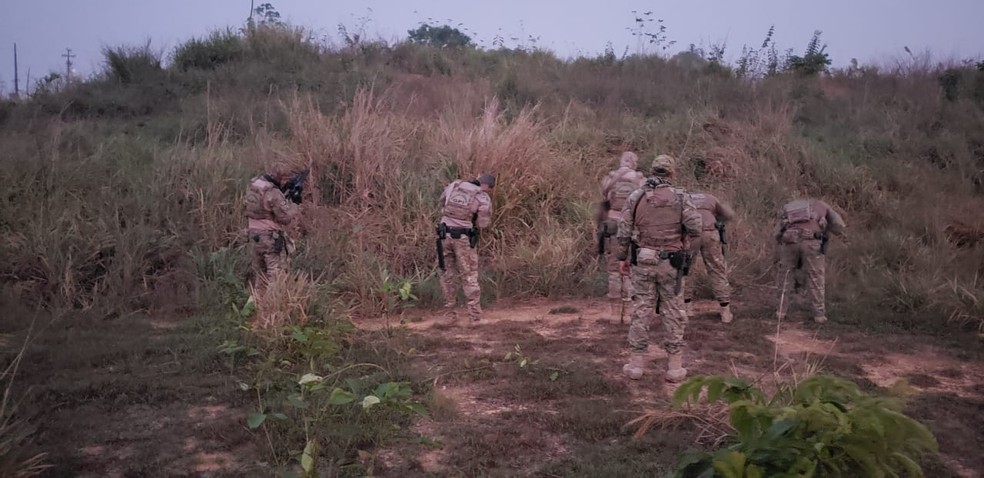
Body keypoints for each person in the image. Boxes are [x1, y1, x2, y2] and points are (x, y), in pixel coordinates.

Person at [616, 155, 702, 382]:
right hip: (671, 263)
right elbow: (696, 227)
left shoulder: (637, 196)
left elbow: (623, 231)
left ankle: (636, 366)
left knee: (641, 310)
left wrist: (621, 257)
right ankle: (674, 368)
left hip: (643, 260)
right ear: (672, 173)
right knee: (673, 312)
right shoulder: (681, 197)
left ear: (652, 171)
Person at [774, 198, 847, 323]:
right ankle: (819, 315)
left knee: (785, 276)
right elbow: (839, 225)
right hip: (812, 241)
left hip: (790, 240)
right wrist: (826, 230)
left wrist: (781, 241)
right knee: (815, 277)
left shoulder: (788, 206)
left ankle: (780, 312)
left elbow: (777, 232)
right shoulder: (822, 205)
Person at [437, 173, 495, 323]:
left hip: (443, 235)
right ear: (486, 186)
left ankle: (449, 316)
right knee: (469, 276)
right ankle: (474, 317)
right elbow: (483, 223)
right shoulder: (481, 196)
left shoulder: (454, 185)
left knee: (446, 275)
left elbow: (442, 203)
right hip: (462, 238)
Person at [598, 152, 646, 317]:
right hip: (632, 226)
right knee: (630, 267)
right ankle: (627, 312)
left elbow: (604, 195)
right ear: (633, 162)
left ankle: (614, 313)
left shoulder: (611, 178)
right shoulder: (640, 178)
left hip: (612, 226)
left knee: (613, 268)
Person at [244, 166, 300, 294]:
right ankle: (270, 308)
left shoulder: (253, 185)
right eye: (285, 180)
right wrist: (294, 204)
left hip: (253, 235)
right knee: (275, 275)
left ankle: (253, 307)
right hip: (270, 238)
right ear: (279, 178)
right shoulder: (273, 192)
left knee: (260, 276)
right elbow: (285, 218)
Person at [684, 191, 736, 323]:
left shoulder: (683, 198)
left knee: (686, 269)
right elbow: (729, 215)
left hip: (690, 236)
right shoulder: (711, 198)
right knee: (717, 269)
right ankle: (725, 311)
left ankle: (687, 308)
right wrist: (717, 220)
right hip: (710, 233)